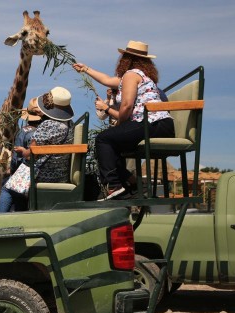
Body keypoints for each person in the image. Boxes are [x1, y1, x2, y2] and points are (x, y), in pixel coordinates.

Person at [73, 40, 174, 200]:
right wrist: (86, 69)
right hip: (161, 125)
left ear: (126, 59)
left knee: (103, 139)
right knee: (113, 148)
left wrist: (117, 121)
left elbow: (126, 106)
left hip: (152, 124)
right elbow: (106, 79)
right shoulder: (139, 76)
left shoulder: (131, 75)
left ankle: (114, 186)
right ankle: (133, 183)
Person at [12, 86, 75, 206]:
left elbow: (30, 155)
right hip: (62, 174)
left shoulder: (47, 124)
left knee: (8, 188)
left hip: (44, 173)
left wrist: (23, 151)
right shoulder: (70, 124)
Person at [0, 98, 42, 213]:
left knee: (7, 185)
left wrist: (10, 170)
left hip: (29, 172)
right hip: (41, 170)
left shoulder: (24, 132)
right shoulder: (43, 131)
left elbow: (16, 160)